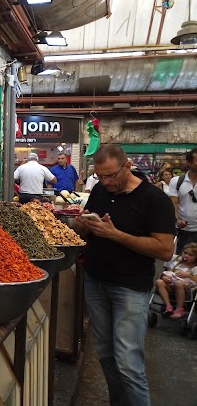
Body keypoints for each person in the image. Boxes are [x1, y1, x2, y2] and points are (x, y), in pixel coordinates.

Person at [76, 144, 175, 406]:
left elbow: (165, 250)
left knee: (128, 363)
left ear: (127, 166)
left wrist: (115, 234)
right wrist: (84, 224)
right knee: (107, 356)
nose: (106, 182)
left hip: (130, 288)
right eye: (101, 176)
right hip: (96, 282)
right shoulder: (99, 189)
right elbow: (91, 230)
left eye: (111, 176)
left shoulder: (155, 200)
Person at [155, 243, 197, 319]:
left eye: (190, 255)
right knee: (159, 282)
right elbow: (169, 271)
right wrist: (166, 277)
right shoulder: (177, 262)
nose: (186, 256)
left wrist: (188, 275)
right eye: (185, 253)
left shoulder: (194, 268)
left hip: (186, 288)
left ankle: (179, 308)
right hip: (172, 284)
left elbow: (195, 279)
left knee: (179, 283)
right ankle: (168, 306)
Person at [169, 148, 197, 252]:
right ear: (188, 162)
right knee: (183, 263)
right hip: (184, 232)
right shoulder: (176, 181)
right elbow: (174, 203)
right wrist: (178, 219)